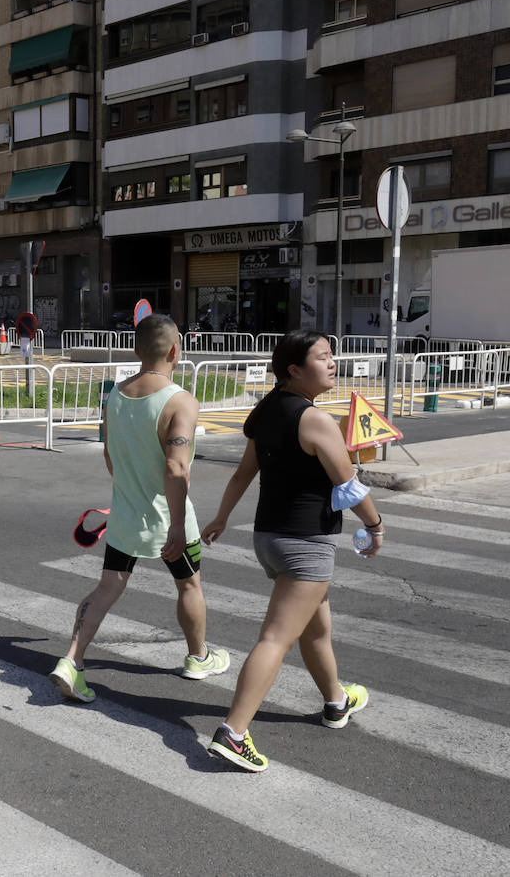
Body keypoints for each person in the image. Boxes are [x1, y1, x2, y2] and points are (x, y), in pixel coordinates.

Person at [201, 329, 382, 773]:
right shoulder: (315, 420)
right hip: (305, 544)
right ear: (295, 370)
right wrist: (375, 525)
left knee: (316, 629)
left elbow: (244, 474)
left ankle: (336, 702)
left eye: (332, 355)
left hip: (270, 539)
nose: (333, 362)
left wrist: (222, 517)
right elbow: (348, 485)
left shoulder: (265, 412)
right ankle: (234, 733)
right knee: (276, 638)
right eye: (323, 356)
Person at [49, 314, 230, 703]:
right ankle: (198, 657)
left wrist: (127, 492)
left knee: (108, 586)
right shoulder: (181, 401)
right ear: (175, 351)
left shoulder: (114, 393)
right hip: (169, 518)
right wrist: (179, 526)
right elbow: (176, 467)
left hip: (127, 514)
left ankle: (71, 661)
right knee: (189, 584)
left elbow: (111, 456)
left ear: (136, 350)